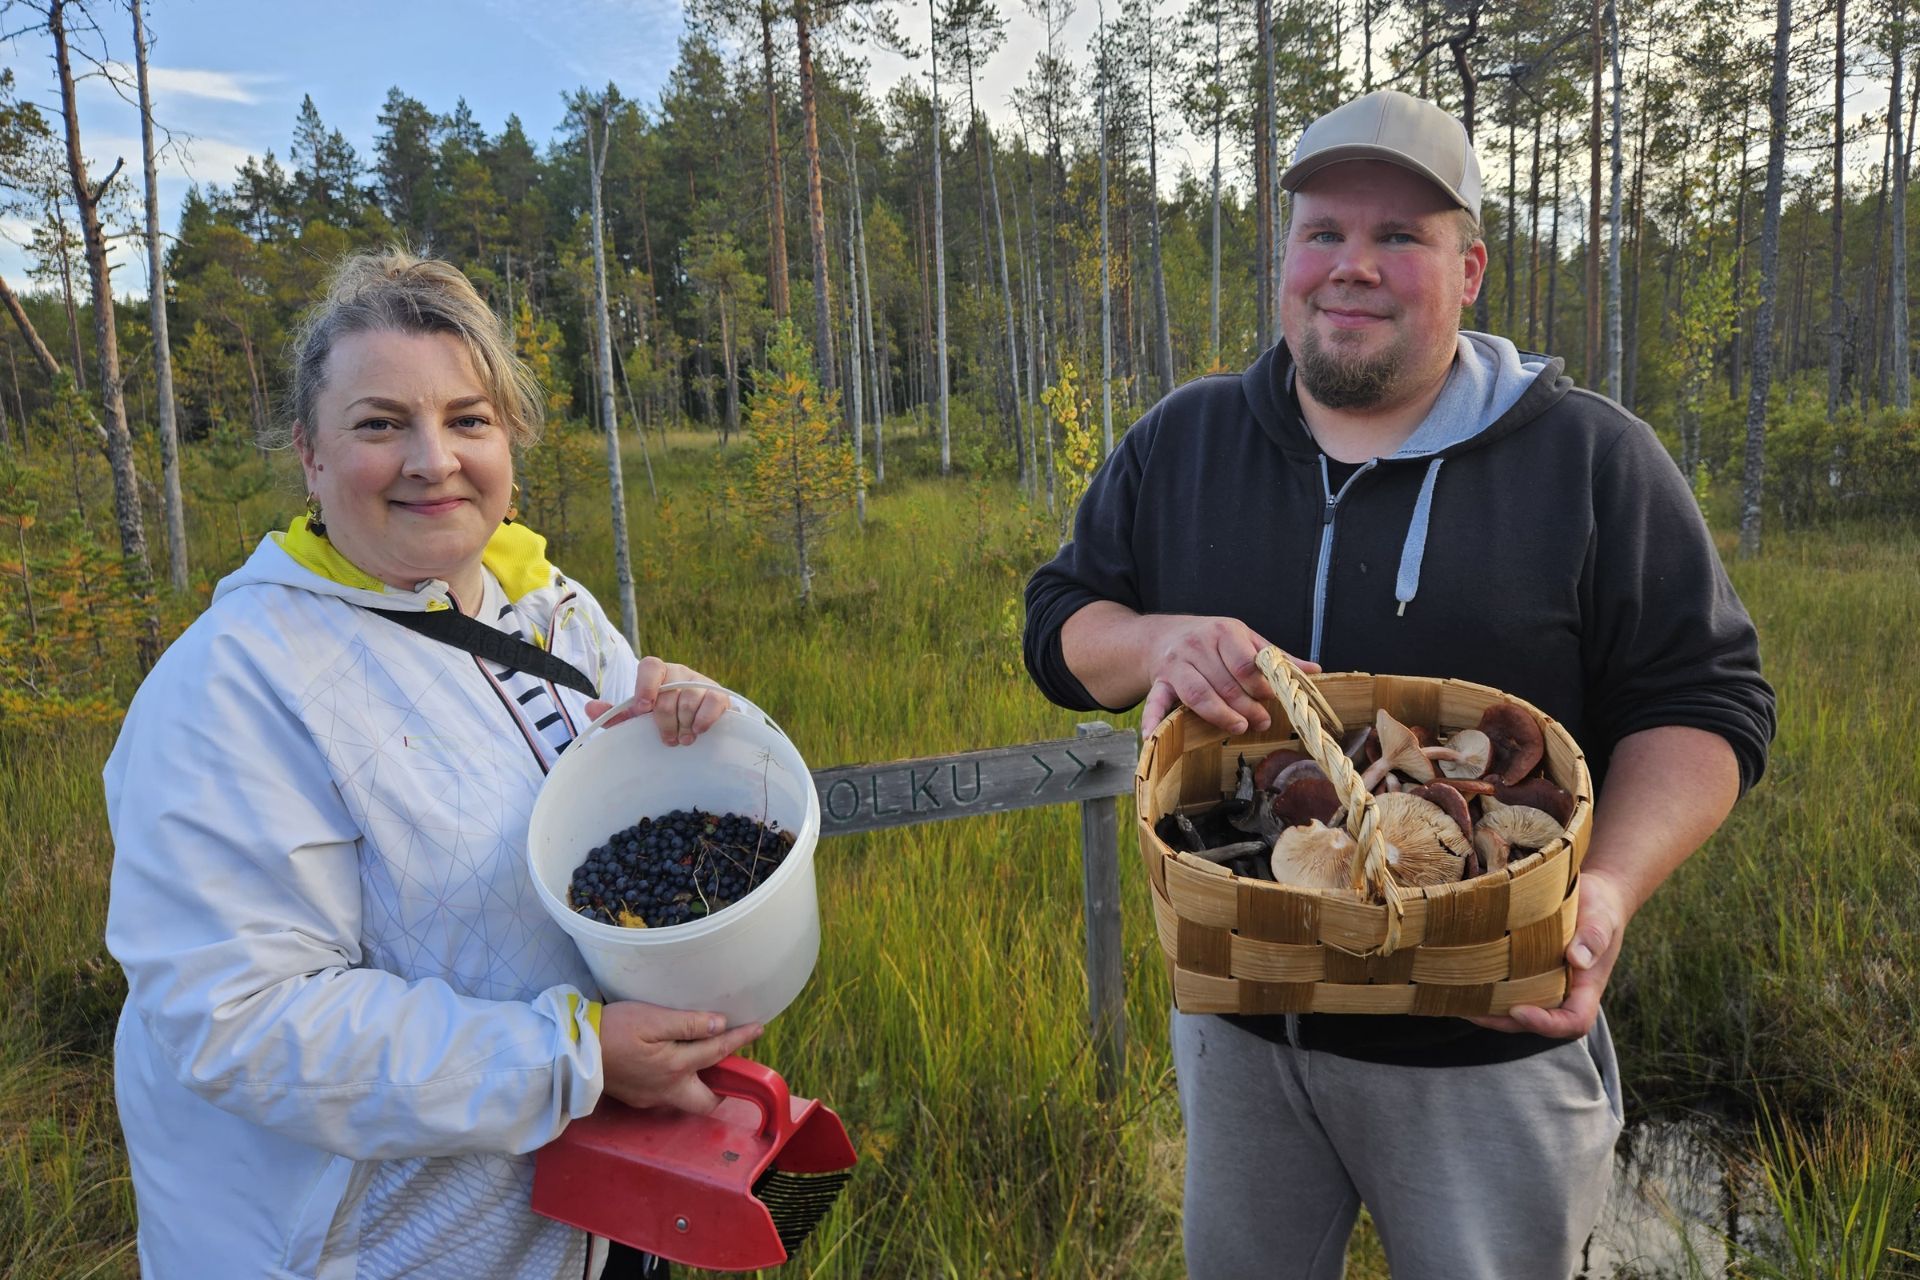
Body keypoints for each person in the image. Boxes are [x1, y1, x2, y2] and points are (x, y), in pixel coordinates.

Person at [1023, 90, 1776, 1279]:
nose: (1351, 268)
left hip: (1488, 1043)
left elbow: (1708, 705)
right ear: (1284, 259)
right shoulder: (1187, 438)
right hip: (1240, 1025)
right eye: (1323, 232)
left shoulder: (1591, 459)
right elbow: (1061, 625)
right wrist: (1157, 639)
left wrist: (1612, 889)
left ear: (1470, 269)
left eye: (1400, 238)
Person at [105, 249, 762, 1279]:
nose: (431, 458)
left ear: (509, 441)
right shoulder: (234, 685)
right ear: (310, 457)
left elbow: (614, 858)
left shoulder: (553, 611)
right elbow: (242, 1019)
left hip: (587, 1208)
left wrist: (679, 731)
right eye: (379, 423)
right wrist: (572, 1057)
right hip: (372, 1247)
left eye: (468, 419)